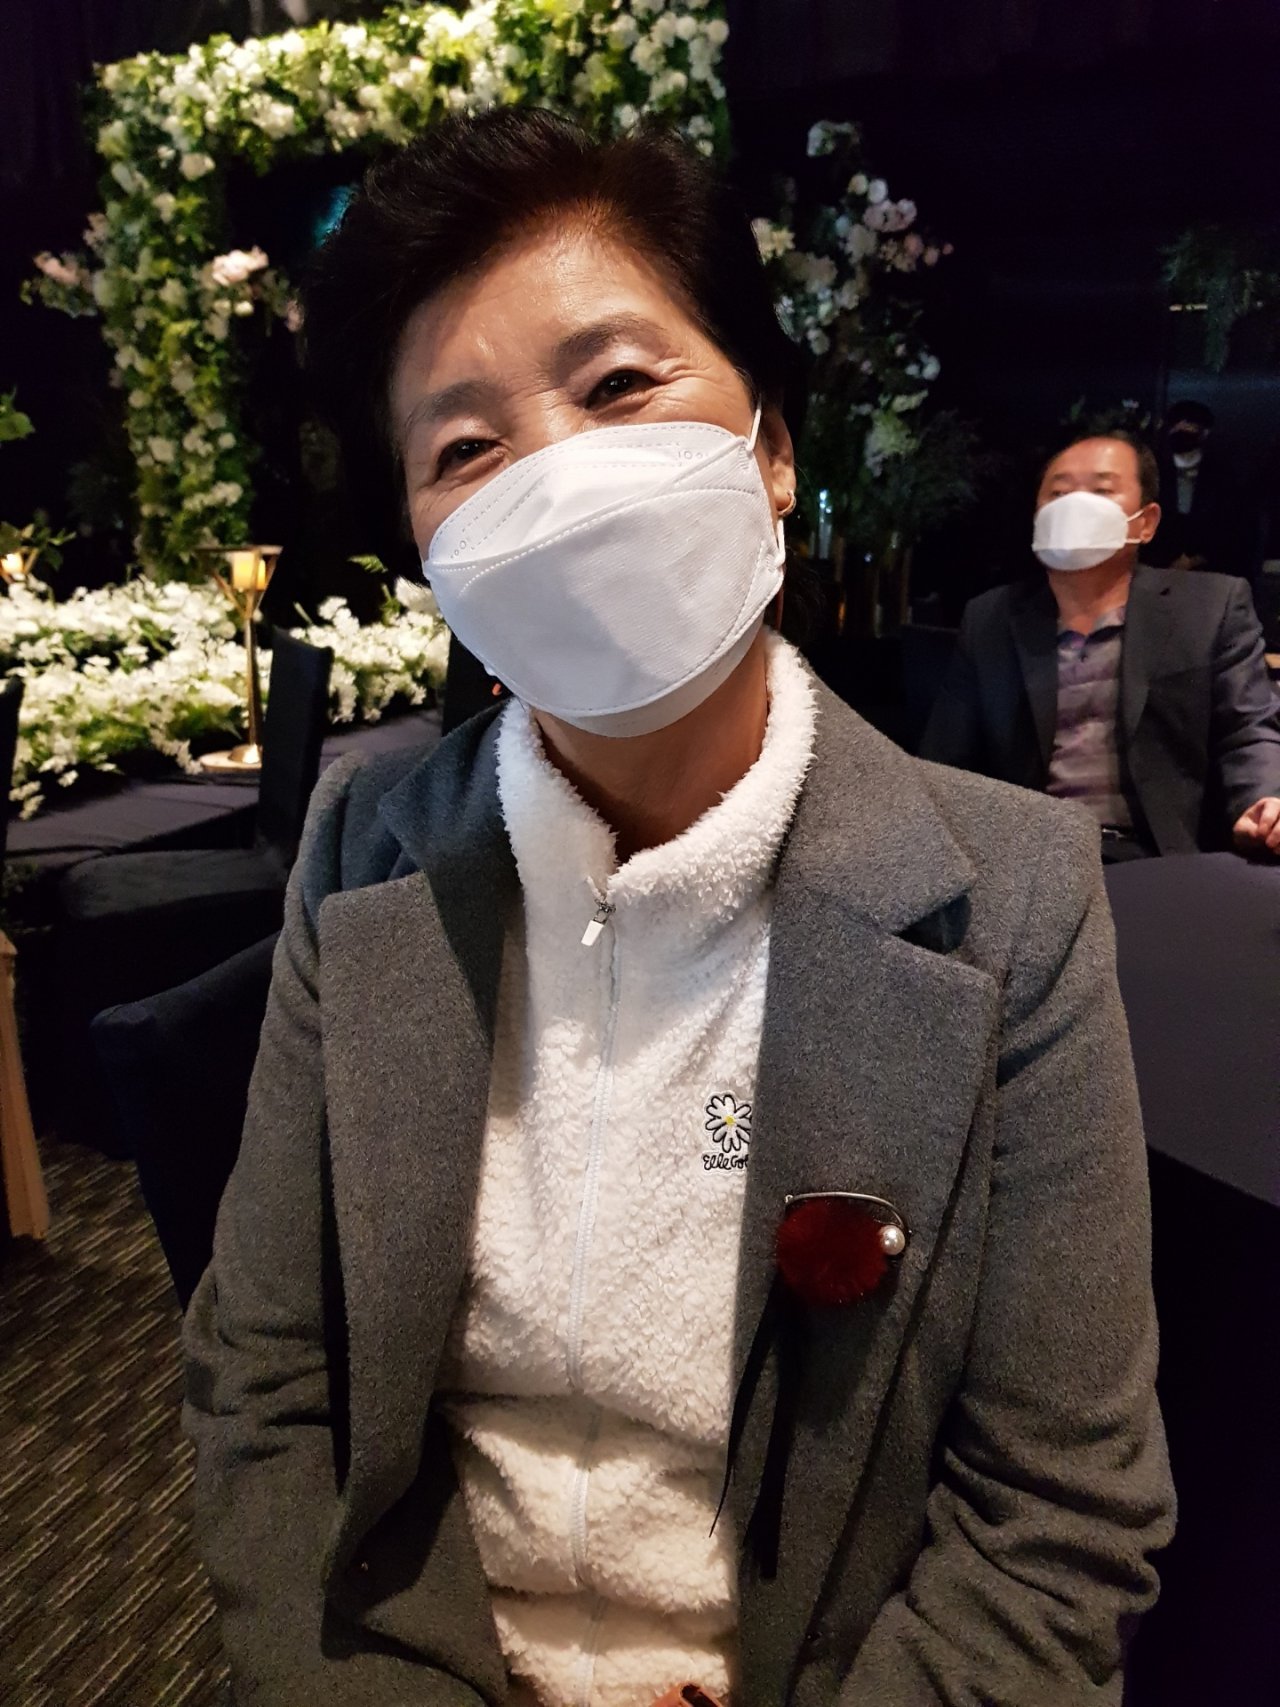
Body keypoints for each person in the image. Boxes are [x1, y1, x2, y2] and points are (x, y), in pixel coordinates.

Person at [184, 110, 1173, 1706]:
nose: (557, 477)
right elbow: (265, 1380)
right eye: (464, 447)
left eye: (618, 385)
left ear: (772, 447)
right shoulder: (365, 851)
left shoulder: (1010, 903)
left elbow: (1057, 1515)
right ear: (432, 555)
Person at [920, 430, 1280, 859]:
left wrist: (1263, 802)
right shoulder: (990, 618)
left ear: (1146, 523)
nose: (1074, 505)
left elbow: (1248, 729)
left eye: (1101, 491)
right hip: (1032, 861)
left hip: (1160, 859)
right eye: (1059, 493)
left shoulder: (1210, 606)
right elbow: (944, 763)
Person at [1143, 399, 1262, 583]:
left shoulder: (1225, 476)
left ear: (1205, 432)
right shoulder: (1154, 471)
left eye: (1189, 425)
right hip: (1159, 570)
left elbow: (1235, 530)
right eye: (1177, 424)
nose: (1182, 429)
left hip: (1214, 572)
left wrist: (1195, 560)